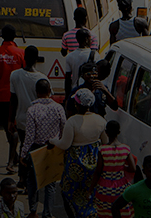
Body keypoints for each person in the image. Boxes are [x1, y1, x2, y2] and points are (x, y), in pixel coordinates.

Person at [52, 89, 108, 217]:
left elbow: (65, 145)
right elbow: (105, 143)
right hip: (94, 163)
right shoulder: (100, 120)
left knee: (70, 191)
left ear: (76, 104)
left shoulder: (72, 122)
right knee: (91, 191)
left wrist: (53, 141)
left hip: (75, 165)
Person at [20, 78, 64, 217]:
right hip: (52, 149)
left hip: (36, 150)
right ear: (49, 91)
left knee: (33, 181)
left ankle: (33, 211)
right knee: (50, 184)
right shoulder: (58, 108)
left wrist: (23, 153)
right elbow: (64, 127)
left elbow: (29, 135)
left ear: (36, 92)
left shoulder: (32, 109)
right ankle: (48, 213)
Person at [0, 25, 26, 174]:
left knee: (7, 126)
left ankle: (13, 158)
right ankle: (13, 158)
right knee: (14, 127)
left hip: (2, 95)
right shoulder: (21, 53)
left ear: (1, 35)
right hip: (17, 96)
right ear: (15, 36)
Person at [9, 46, 48, 150]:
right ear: (37, 59)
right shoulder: (42, 78)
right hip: (38, 121)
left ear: (24, 57)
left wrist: (11, 120)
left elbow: (13, 100)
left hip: (22, 120)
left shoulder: (14, 75)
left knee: (24, 146)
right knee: (36, 149)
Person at [96, 121, 135, 218]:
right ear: (119, 132)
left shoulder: (102, 149)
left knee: (105, 212)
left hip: (104, 188)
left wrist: (91, 188)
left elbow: (98, 171)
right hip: (121, 187)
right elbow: (132, 168)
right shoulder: (126, 149)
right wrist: (122, 167)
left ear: (106, 132)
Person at [62, 29, 98, 93]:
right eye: (90, 38)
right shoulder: (95, 55)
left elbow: (67, 78)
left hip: (75, 91)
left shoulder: (70, 56)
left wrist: (67, 96)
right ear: (87, 39)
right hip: (91, 91)